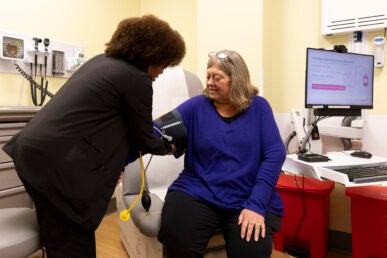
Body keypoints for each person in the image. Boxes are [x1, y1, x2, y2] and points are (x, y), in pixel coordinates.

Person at [2, 14, 185, 258]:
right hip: (56, 169)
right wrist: (170, 147)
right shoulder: (137, 79)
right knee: (75, 245)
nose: (162, 71)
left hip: (32, 156)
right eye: (164, 62)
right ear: (152, 53)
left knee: (58, 237)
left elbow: (109, 122)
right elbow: (143, 139)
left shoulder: (102, 62)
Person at [158, 50, 286, 258]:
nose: (209, 82)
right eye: (208, 76)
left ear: (236, 80)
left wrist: (256, 204)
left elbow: (274, 155)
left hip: (247, 195)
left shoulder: (259, 107)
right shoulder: (197, 105)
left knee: (252, 248)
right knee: (177, 235)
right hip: (197, 191)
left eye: (217, 78)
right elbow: (157, 130)